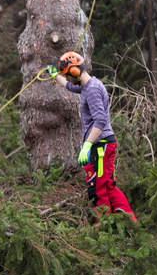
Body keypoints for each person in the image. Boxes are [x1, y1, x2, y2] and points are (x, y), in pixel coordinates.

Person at [47, 52, 137, 223]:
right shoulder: (87, 85)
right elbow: (72, 87)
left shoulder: (93, 90)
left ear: (74, 72)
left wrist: (87, 145)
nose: (67, 77)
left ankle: (103, 230)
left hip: (100, 146)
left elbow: (100, 120)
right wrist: (56, 76)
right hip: (102, 144)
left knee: (98, 189)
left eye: (66, 74)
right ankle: (130, 223)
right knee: (109, 186)